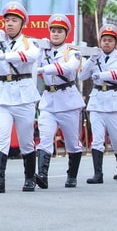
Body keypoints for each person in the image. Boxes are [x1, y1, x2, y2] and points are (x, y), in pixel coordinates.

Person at [0, 1, 41, 193]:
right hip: (3, 94)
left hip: (23, 95)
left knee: (26, 141)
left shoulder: (31, 42)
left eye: (14, 20)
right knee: (2, 138)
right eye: (7, 20)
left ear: (23, 24)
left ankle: (30, 179)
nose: (9, 24)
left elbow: (30, 56)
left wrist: (6, 56)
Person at [33, 13, 85, 188]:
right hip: (48, 100)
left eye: (59, 31)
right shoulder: (43, 50)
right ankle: (42, 175)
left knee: (72, 143)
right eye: (53, 30)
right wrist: (39, 49)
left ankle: (72, 175)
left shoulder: (72, 52)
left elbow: (70, 67)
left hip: (68, 101)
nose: (55, 34)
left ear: (66, 34)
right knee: (45, 138)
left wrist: (47, 68)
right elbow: (33, 64)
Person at [79, 23, 117, 184]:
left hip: (114, 101)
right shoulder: (95, 56)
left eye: (109, 40)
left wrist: (105, 75)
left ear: (115, 43)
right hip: (98, 100)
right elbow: (82, 76)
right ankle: (97, 174)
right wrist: (92, 60)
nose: (106, 43)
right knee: (97, 138)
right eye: (104, 40)